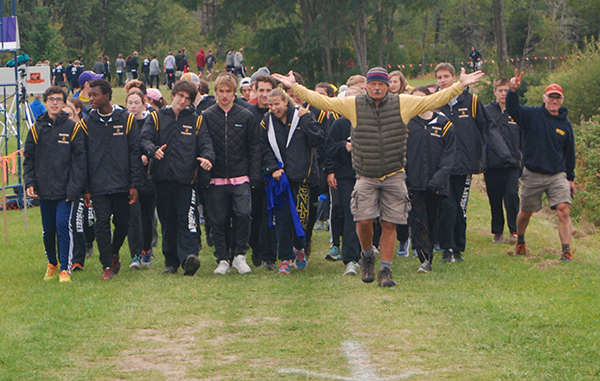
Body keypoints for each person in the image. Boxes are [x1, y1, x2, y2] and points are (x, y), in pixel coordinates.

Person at [272, 66, 484, 286]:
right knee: (364, 221)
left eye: (381, 84)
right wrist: (294, 87)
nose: (376, 88)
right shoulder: (354, 105)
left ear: (387, 87)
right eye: (372, 84)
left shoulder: (402, 103)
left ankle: (386, 270)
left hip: (394, 174)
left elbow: (434, 100)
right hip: (365, 175)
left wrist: (460, 85)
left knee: (389, 223)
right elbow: (323, 102)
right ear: (367, 87)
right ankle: (366, 256)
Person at [140, 80, 215, 275]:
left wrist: (207, 158)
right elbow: (144, 139)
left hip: (187, 181)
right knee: (167, 222)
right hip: (162, 179)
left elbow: (206, 144)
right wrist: (153, 150)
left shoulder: (197, 120)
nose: (182, 101)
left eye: (187, 98)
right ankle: (171, 262)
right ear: (173, 95)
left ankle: (189, 257)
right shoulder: (156, 118)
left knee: (188, 219)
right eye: (180, 96)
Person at [507, 70, 576, 261]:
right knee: (526, 212)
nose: (554, 100)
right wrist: (513, 92)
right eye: (551, 97)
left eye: (557, 97)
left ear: (561, 100)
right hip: (532, 173)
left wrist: (570, 178)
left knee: (563, 209)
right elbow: (513, 110)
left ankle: (566, 251)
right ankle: (520, 241)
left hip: (557, 175)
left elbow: (570, 153)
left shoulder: (566, 125)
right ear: (544, 98)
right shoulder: (531, 115)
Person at [435, 62, 499, 263]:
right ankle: (446, 248)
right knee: (447, 206)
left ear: (454, 78)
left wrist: (488, 155)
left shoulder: (471, 102)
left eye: (446, 76)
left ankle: (458, 249)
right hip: (442, 166)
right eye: (439, 77)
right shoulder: (434, 102)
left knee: (460, 208)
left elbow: (486, 128)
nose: (443, 80)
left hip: (464, 164)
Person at [80, 79, 143, 280]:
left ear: (107, 96)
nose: (91, 99)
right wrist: (86, 188)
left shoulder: (126, 119)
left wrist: (134, 184)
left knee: (123, 223)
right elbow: (83, 157)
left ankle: (114, 251)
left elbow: (134, 153)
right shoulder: (87, 122)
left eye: (95, 95)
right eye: (90, 95)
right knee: (102, 223)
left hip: (122, 184)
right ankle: (106, 265)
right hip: (98, 185)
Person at [24, 86, 86, 283]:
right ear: (45, 102)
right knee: (48, 229)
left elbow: (79, 161)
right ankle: (52, 263)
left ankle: (65, 268)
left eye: (58, 99)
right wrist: (30, 182)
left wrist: (74, 187)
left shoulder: (72, 128)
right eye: (51, 99)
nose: (54, 103)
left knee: (62, 226)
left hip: (65, 189)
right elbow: (29, 159)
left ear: (64, 103)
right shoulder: (36, 128)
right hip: (44, 189)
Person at [202, 73, 261, 275]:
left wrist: (254, 176)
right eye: (221, 91)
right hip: (216, 177)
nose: (225, 95)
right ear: (215, 92)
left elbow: (254, 148)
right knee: (218, 220)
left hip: (240, 176)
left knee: (243, 214)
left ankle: (240, 255)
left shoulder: (246, 116)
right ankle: (222, 258)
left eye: (228, 91)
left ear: (234, 93)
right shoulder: (207, 116)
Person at [261, 88, 324, 274]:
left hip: (303, 178)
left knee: (302, 220)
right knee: (282, 220)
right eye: (270, 105)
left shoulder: (302, 116)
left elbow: (318, 139)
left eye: (277, 104)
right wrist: (273, 168)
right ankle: (285, 258)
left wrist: (306, 119)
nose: (273, 108)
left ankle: (300, 248)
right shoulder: (266, 122)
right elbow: (264, 148)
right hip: (280, 178)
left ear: (285, 102)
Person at [404, 86, 455, 274]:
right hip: (414, 183)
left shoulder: (444, 123)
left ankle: (430, 256)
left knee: (433, 220)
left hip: (437, 184)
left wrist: (439, 177)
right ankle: (423, 258)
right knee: (418, 221)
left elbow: (449, 154)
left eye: (421, 98)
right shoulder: (408, 123)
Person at [325, 85, 364, 275]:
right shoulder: (339, 124)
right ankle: (351, 258)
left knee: (366, 216)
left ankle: (366, 251)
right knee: (350, 215)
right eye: (348, 98)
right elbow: (328, 149)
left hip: (368, 174)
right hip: (346, 176)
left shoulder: (369, 121)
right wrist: (343, 146)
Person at [484, 77, 522, 244]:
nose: (503, 94)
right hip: (492, 164)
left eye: (506, 90)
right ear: (495, 92)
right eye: (500, 90)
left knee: (512, 195)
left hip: (513, 163)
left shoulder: (516, 111)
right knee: (495, 198)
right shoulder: (486, 111)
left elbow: (523, 137)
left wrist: (522, 158)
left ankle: (514, 230)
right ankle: (498, 232)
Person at [247, 74, 278, 269]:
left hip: (274, 173)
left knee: (271, 217)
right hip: (253, 172)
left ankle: (269, 256)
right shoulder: (248, 114)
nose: (265, 95)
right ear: (255, 91)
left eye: (268, 90)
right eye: (261, 91)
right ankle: (256, 251)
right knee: (253, 215)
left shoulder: (279, 114)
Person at [64, 98, 96, 271]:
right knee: (68, 223)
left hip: (81, 184)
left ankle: (81, 252)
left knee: (83, 222)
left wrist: (86, 187)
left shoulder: (83, 132)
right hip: (61, 185)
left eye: (69, 114)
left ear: (76, 114)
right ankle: (72, 258)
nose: (66, 117)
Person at [125, 90, 155, 268]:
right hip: (130, 178)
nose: (134, 106)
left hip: (148, 177)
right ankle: (134, 254)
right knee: (132, 217)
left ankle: (146, 251)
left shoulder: (149, 121)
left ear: (143, 104)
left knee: (147, 216)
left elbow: (152, 143)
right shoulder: (124, 123)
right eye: (130, 102)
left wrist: (147, 156)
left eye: (137, 102)